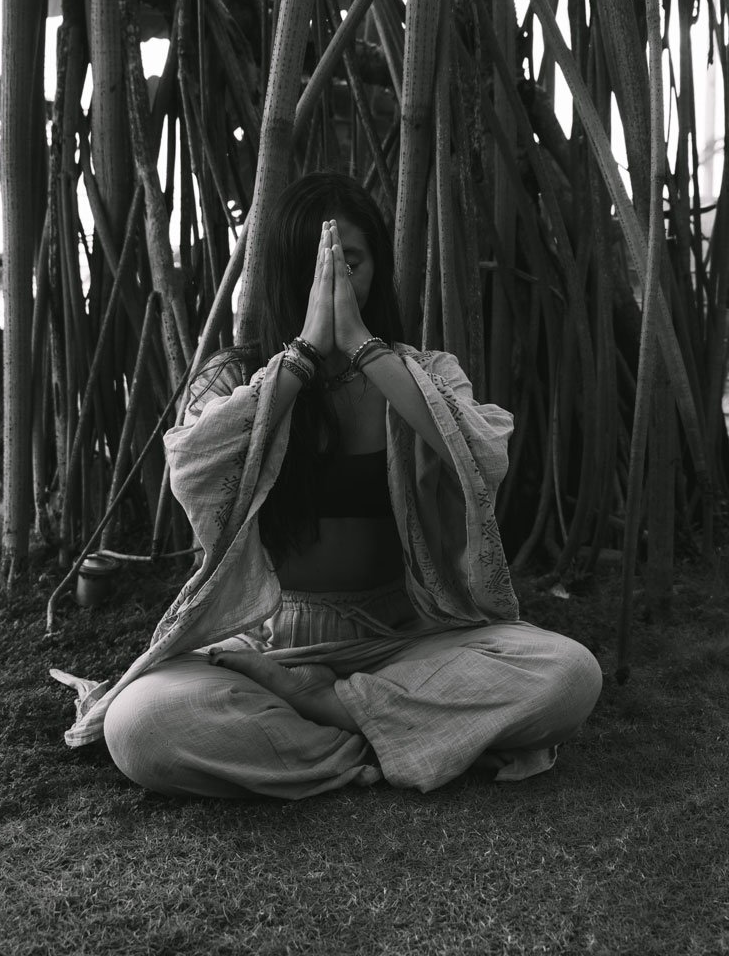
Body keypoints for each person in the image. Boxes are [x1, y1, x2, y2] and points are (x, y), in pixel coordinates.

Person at [57, 171, 602, 798]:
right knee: (142, 726)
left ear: (377, 266)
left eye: (350, 261)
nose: (332, 279)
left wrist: (366, 350)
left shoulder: (426, 373)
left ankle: (329, 713)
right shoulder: (234, 380)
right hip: (267, 646)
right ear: (280, 272)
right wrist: (303, 355)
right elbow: (195, 468)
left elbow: (478, 457)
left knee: (567, 674)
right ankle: (408, 739)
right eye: (313, 264)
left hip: (407, 639)